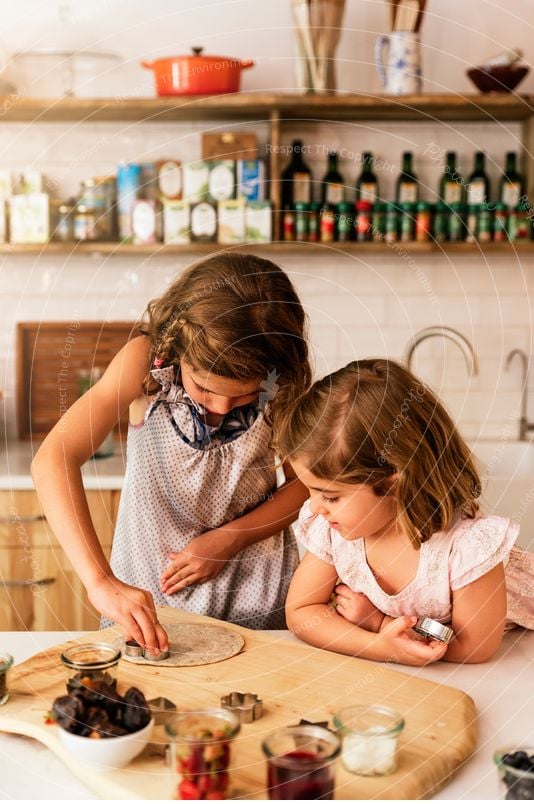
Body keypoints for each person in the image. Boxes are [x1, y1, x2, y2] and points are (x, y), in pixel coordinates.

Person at [32, 253, 311, 652]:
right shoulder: (144, 366)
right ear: (178, 347)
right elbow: (53, 459)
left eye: (245, 395)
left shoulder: (283, 384)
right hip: (149, 605)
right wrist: (102, 582)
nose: (219, 407)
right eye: (205, 388)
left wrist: (229, 539)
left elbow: (304, 488)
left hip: (257, 606)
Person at [274, 358, 534, 666]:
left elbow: (474, 648)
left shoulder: (468, 548)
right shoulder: (333, 530)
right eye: (311, 490)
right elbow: (302, 613)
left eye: (330, 496)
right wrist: (379, 645)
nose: (315, 507)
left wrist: (380, 624)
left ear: (395, 483)